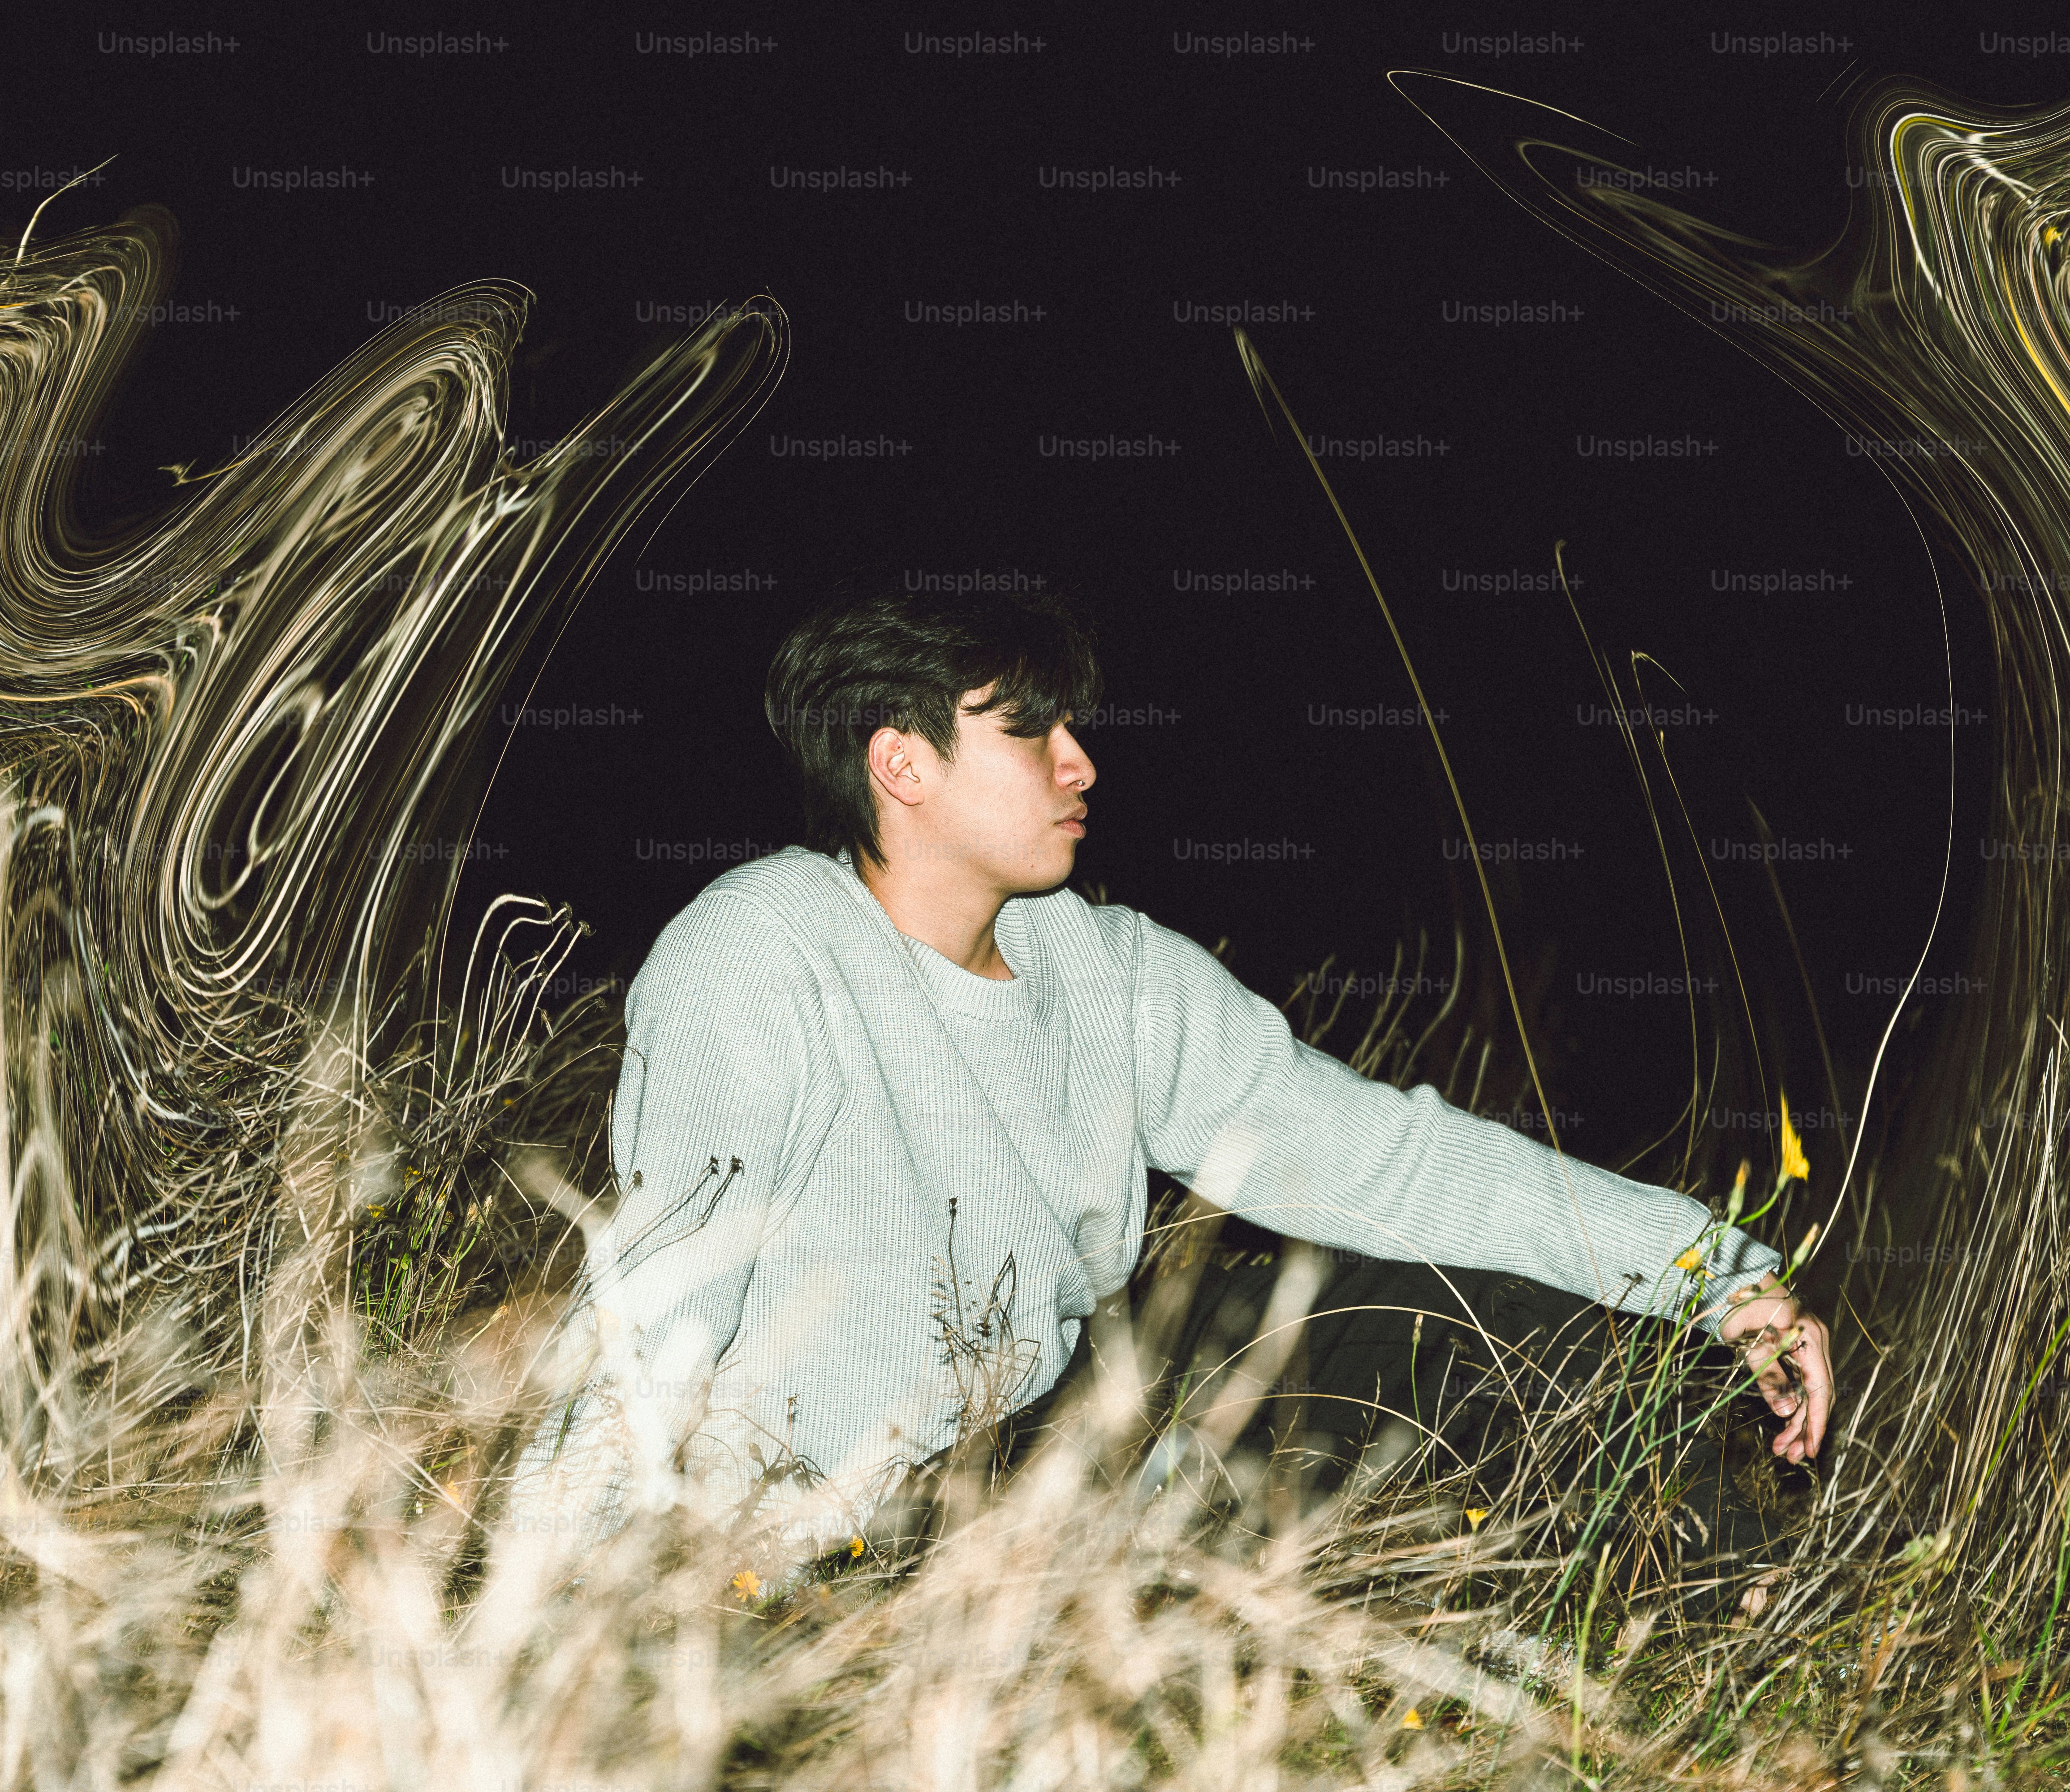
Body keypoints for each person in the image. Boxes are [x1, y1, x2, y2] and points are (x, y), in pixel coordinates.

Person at [521, 586, 1831, 1590]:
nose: (1080, 761)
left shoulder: (1106, 969)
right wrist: (564, 1612)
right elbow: (657, 1311)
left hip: (1067, 1459)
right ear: (900, 766)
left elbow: (1385, 1160)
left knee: (1443, 1315)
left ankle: (1760, 1629)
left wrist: (1714, 1272)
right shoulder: (760, 952)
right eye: (1029, 731)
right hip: (828, 1539)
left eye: (1072, 728)